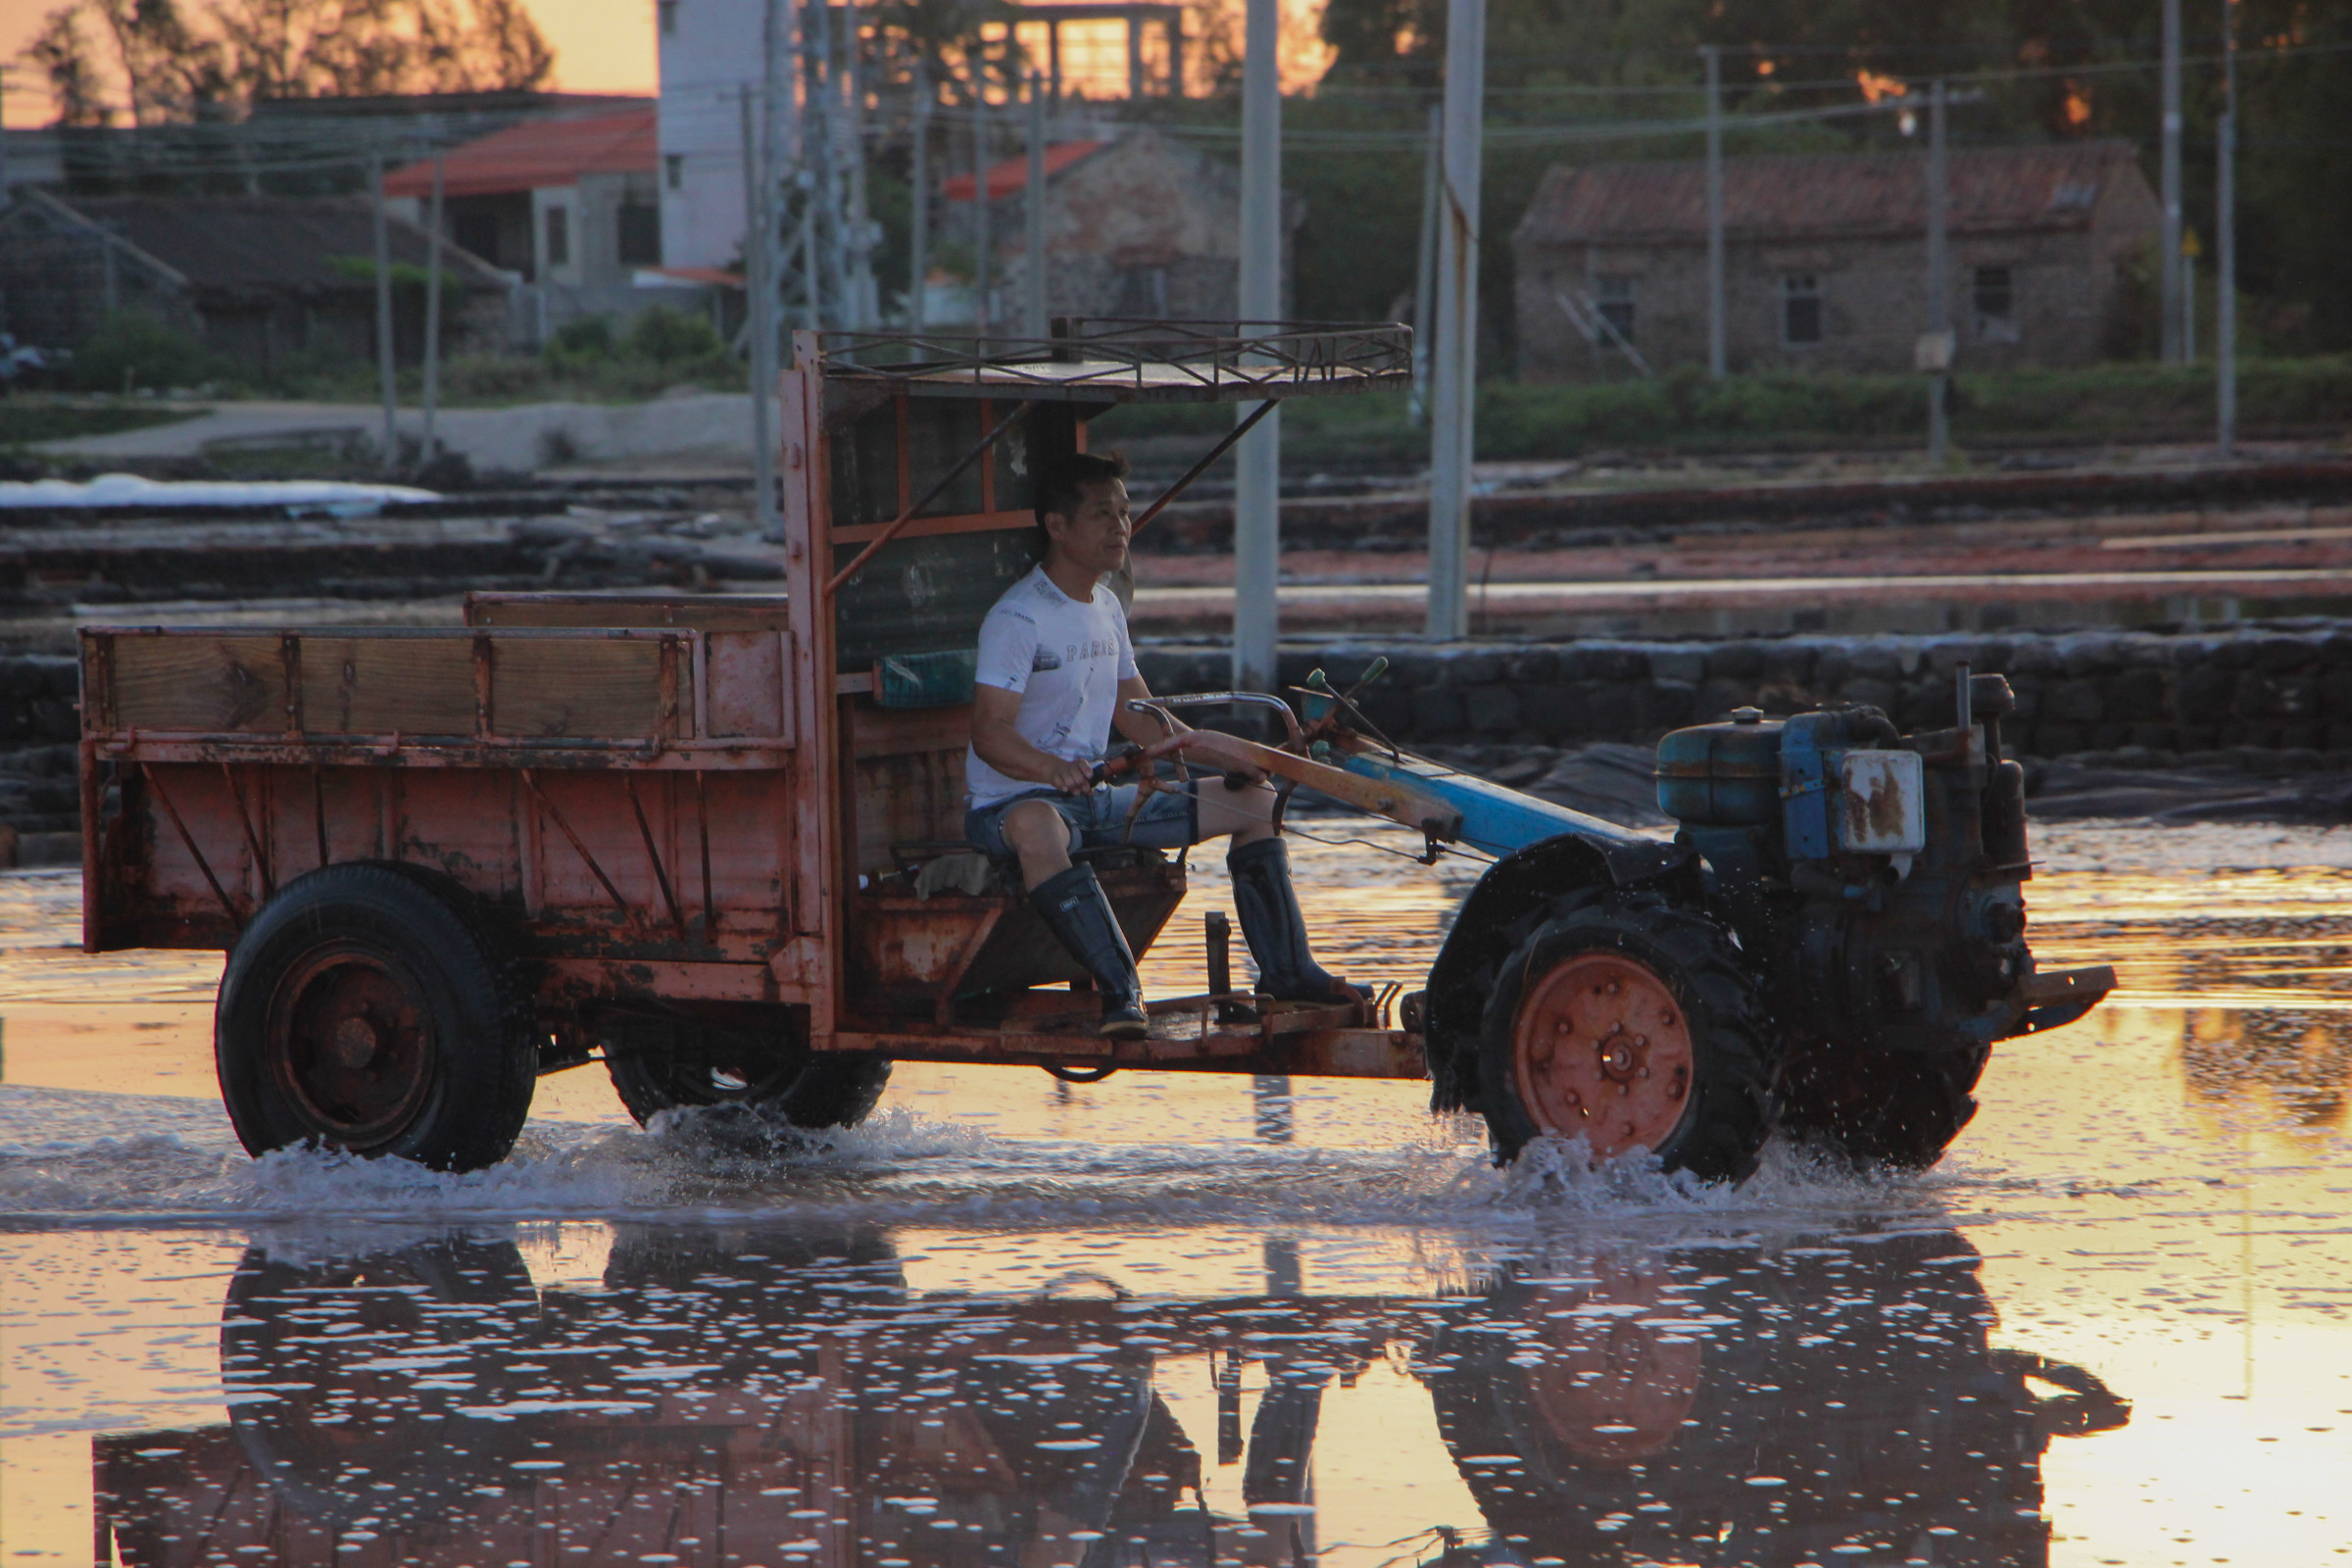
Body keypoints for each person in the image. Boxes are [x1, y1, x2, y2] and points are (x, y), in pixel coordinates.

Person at [964, 450, 1360, 1038]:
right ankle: (1121, 992)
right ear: (1057, 525)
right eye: (1103, 515)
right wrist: (1052, 769)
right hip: (1013, 808)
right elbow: (989, 733)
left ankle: (1288, 972)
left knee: (1256, 802)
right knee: (1038, 827)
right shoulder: (1018, 618)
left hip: (1095, 804)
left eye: (1125, 513)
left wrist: (1245, 758)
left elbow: (1143, 718)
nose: (1121, 528)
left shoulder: (1105, 609)